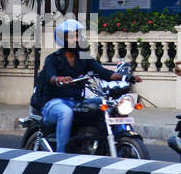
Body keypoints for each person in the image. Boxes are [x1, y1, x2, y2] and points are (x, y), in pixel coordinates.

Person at [37, 19, 137, 153]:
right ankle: (61, 154)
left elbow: (104, 73)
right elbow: (51, 77)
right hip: (54, 102)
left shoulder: (83, 57)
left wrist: (127, 77)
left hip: (76, 101)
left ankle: (116, 142)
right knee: (65, 113)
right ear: (62, 39)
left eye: (77, 35)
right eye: (72, 36)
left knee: (106, 106)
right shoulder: (53, 59)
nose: (76, 39)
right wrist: (60, 79)